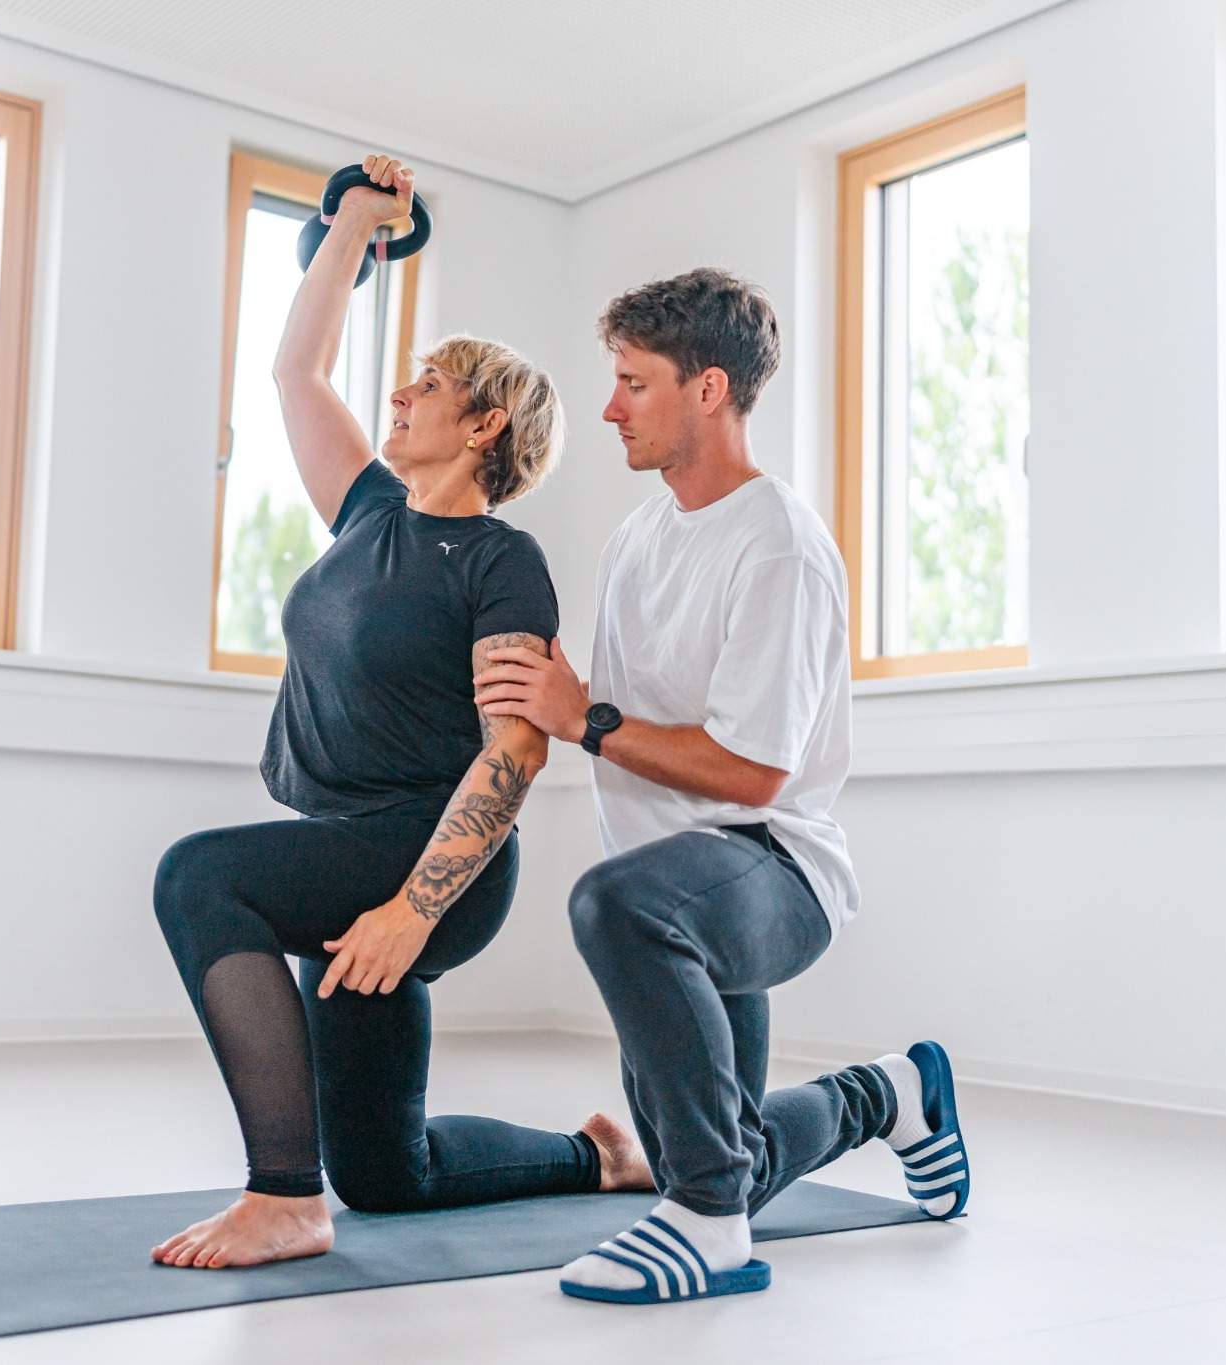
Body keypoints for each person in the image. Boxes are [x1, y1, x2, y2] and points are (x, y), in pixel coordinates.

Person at [149, 155, 654, 1271]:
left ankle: (281, 1197)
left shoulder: (500, 566)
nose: (398, 395)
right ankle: (597, 1153)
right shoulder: (367, 512)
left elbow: (514, 755)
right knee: (387, 1176)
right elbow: (295, 368)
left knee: (199, 876)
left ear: (482, 427)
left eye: (425, 384)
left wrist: (411, 913)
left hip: (432, 860)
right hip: (347, 847)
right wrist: (355, 225)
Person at [475, 268, 969, 1305]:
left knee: (613, 912)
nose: (608, 407)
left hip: (770, 869)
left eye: (631, 383)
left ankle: (708, 1233)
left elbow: (751, 772)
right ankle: (891, 1095)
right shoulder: (636, 540)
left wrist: (584, 717)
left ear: (707, 390)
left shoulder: (776, 545)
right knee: (720, 1149)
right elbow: (594, 710)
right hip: (675, 885)